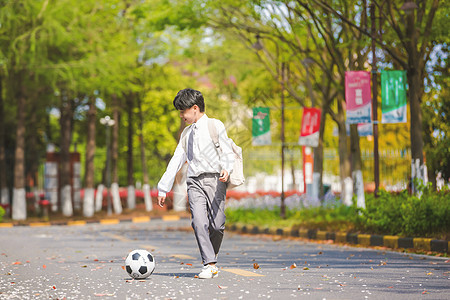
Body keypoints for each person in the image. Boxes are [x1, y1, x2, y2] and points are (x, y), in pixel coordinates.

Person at [157, 88, 235, 279]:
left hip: (216, 179)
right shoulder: (186, 134)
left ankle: (211, 256)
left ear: (194, 108)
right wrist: (163, 188)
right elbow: (176, 160)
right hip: (194, 182)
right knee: (199, 221)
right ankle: (209, 263)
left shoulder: (215, 126)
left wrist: (226, 168)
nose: (181, 115)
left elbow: (227, 150)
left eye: (183, 111)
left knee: (217, 225)